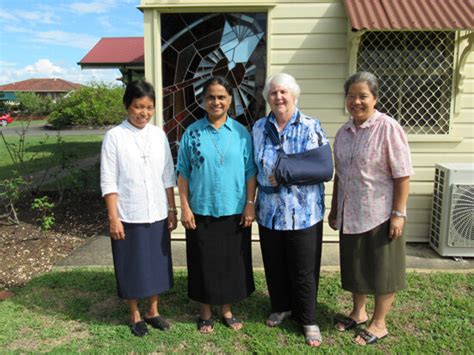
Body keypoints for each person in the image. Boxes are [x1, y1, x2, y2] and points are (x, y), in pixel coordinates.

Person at [328, 71, 414, 345]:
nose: (356, 101)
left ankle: (379, 323)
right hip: (350, 212)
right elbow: (340, 175)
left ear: (375, 98)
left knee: (382, 270)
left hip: (380, 213)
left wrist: (398, 214)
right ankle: (358, 312)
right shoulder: (343, 133)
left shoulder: (388, 128)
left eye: (363, 95)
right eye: (351, 96)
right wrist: (334, 208)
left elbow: (402, 174)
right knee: (355, 266)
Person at [252, 73, 333, 347]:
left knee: (303, 269)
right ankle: (281, 306)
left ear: (294, 95)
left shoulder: (311, 126)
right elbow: (254, 167)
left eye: (284, 92)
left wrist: (284, 170)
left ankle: (308, 318)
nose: (278, 97)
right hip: (269, 213)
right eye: (273, 93)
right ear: (267, 98)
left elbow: (323, 168)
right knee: (274, 264)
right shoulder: (259, 128)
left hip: (304, 213)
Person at [177, 76, 257, 334]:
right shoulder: (192, 132)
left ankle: (226, 310)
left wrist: (249, 203)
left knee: (230, 262)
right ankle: (204, 312)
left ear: (230, 100)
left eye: (221, 97)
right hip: (201, 210)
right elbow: (183, 173)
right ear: (203, 100)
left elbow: (250, 172)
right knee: (203, 261)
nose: (216, 102)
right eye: (211, 97)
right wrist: (185, 207)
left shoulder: (241, 133)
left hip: (234, 209)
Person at [100, 80, 177, 337]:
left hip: (156, 210)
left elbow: (168, 174)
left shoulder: (158, 135)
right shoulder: (114, 137)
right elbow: (108, 180)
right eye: (138, 106)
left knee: (156, 263)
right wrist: (114, 218)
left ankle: (153, 311)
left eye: (149, 107)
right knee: (131, 263)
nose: (143, 112)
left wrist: (172, 208)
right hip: (128, 213)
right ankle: (134, 313)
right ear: (127, 106)